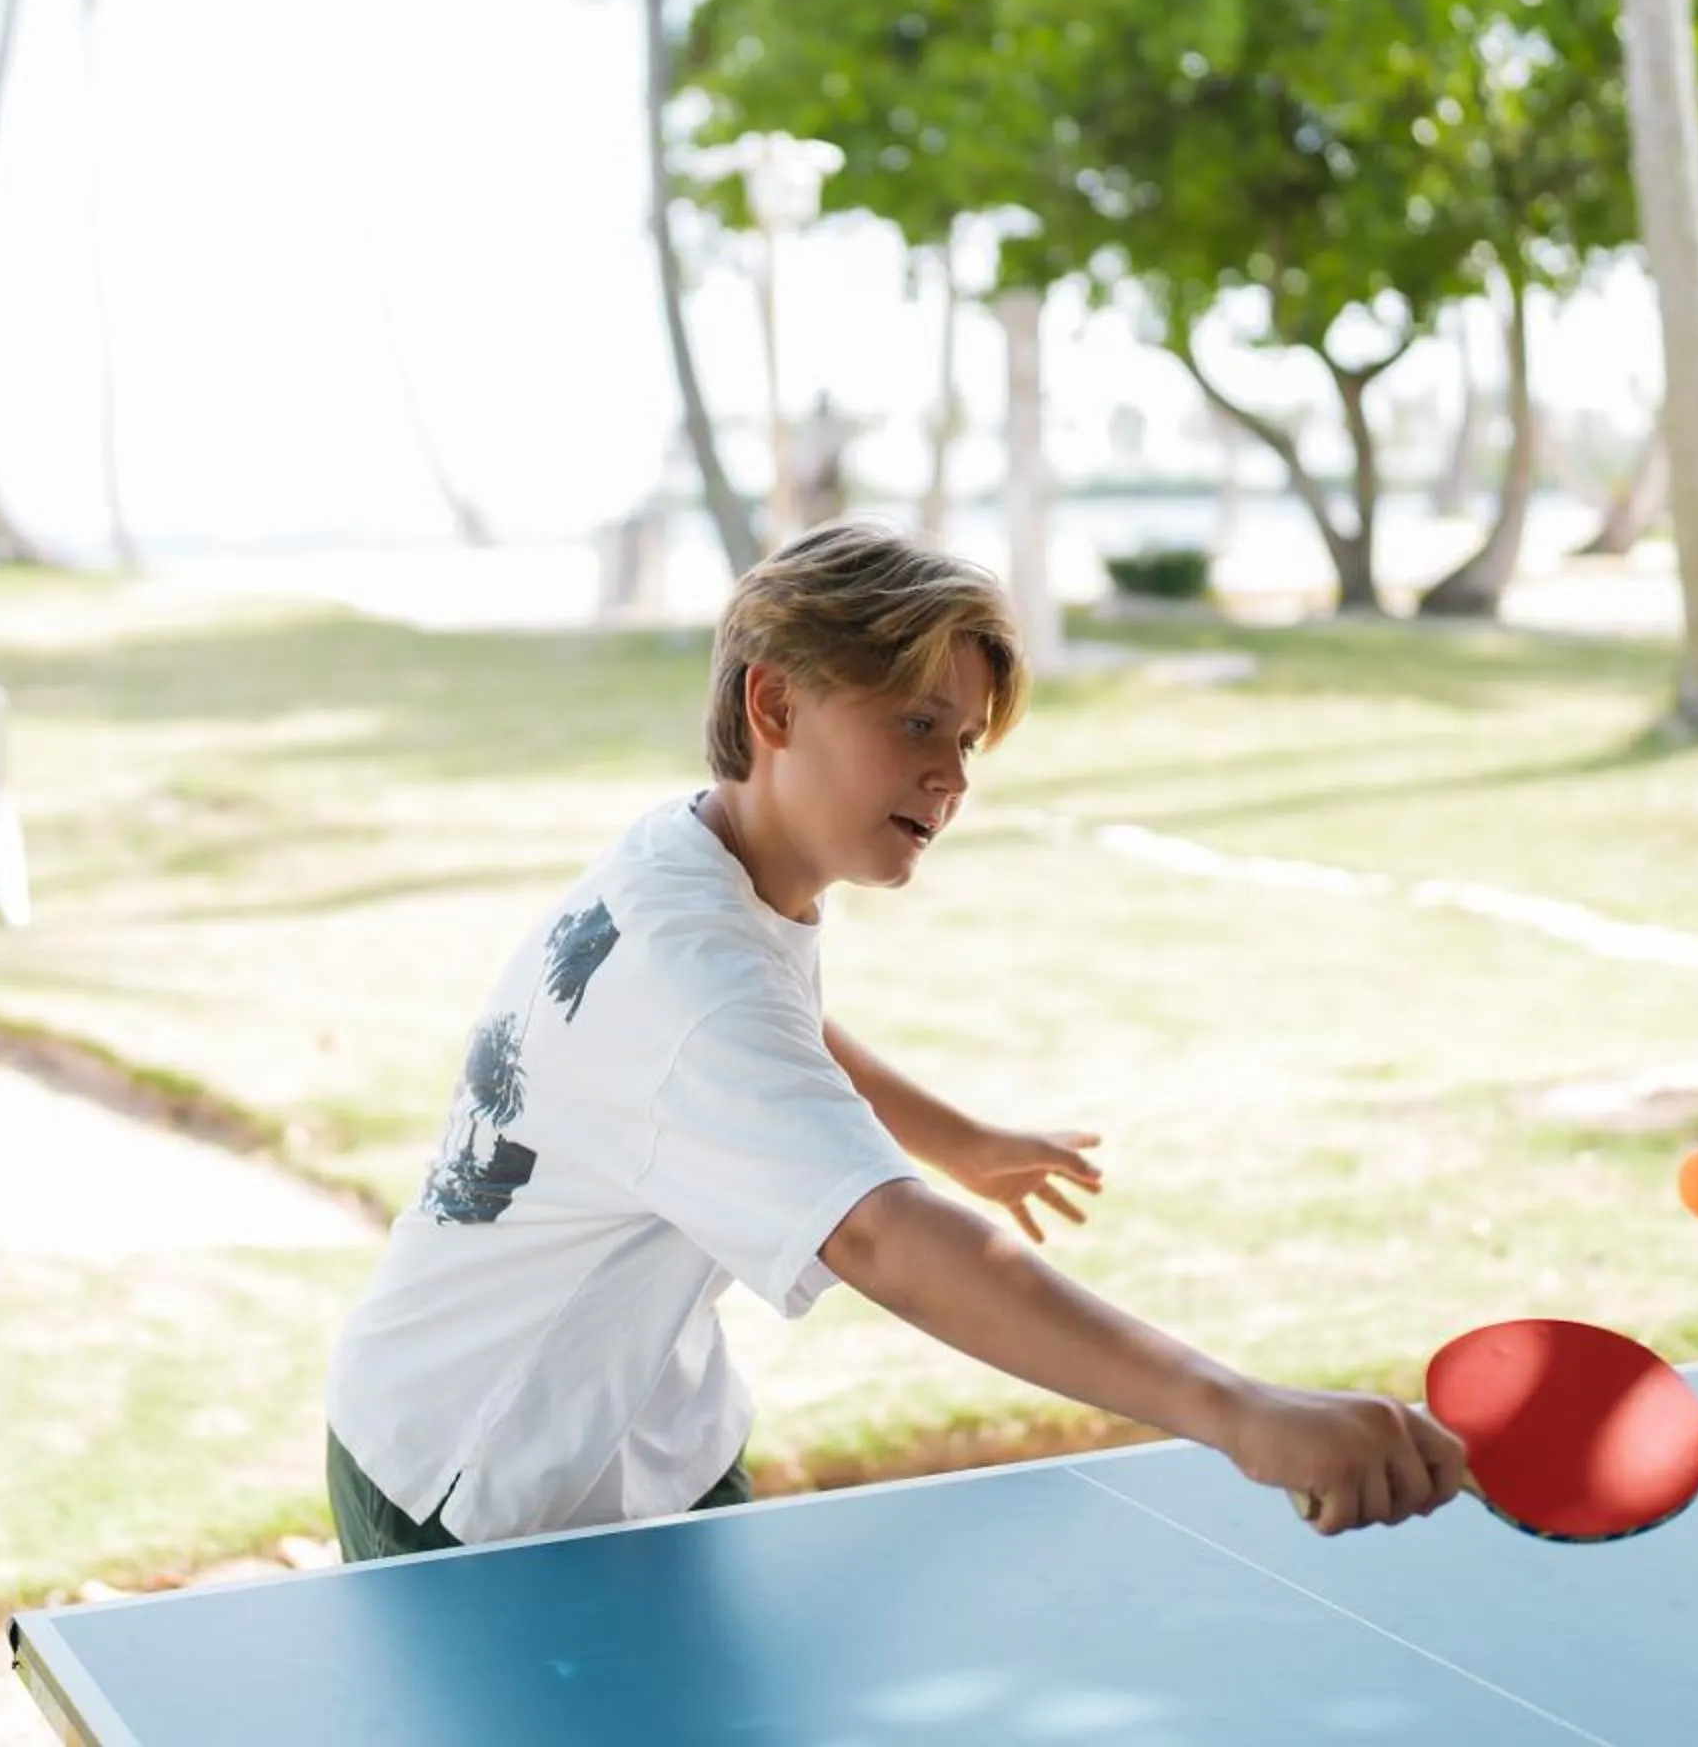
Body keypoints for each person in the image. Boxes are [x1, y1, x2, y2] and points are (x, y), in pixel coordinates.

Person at [323, 519, 1466, 1560]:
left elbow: (777, 1023)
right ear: (775, 707)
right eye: (918, 721)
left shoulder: (700, 857)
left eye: (967, 739)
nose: (952, 774)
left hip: (640, 1433)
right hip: (479, 1477)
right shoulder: (695, 979)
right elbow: (883, 1240)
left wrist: (956, 1136)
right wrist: (1240, 1411)